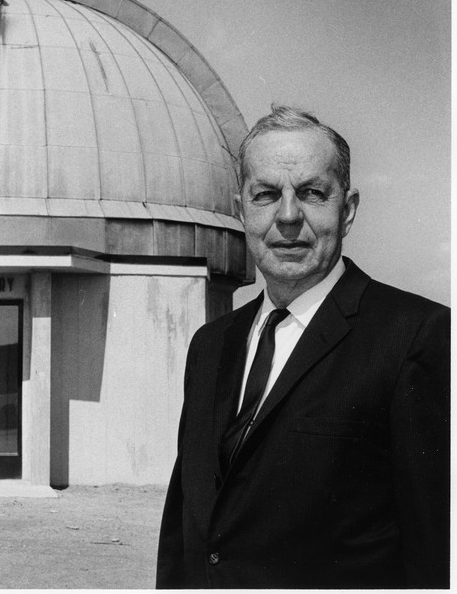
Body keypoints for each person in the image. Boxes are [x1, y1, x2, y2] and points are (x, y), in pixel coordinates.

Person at [156, 105, 449, 588]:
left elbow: (436, 553)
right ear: (241, 209)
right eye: (266, 194)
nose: (287, 217)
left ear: (348, 209)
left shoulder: (418, 337)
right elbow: (183, 525)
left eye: (312, 193)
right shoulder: (209, 345)